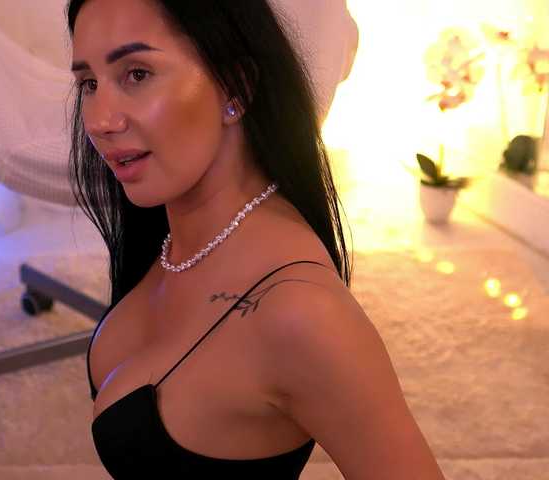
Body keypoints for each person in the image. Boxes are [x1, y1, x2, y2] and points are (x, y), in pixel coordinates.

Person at [67, 0, 446, 478]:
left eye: (137, 74)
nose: (100, 121)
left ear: (237, 87)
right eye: (89, 84)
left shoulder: (302, 313)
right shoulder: (171, 239)